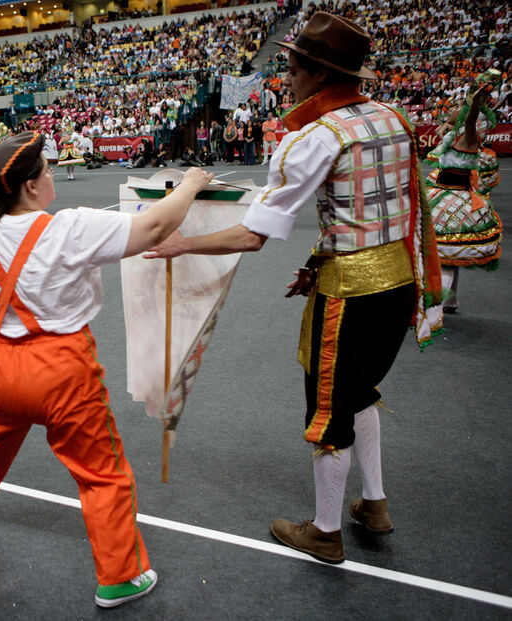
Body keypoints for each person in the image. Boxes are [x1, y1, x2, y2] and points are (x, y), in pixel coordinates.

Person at [145, 12, 442, 564]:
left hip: (350, 291)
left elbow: (255, 234)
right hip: (399, 280)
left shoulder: (317, 138)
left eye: (292, 65)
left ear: (316, 74)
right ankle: (373, 504)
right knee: (363, 392)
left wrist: (183, 244)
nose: (287, 75)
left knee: (329, 409)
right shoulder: (393, 118)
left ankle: (326, 532)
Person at [0, 130, 215, 608]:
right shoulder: (68, 227)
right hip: (62, 367)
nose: (49, 173)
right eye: (43, 169)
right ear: (29, 187)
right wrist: (189, 183)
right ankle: (120, 576)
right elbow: (153, 229)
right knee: (101, 471)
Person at [425, 70, 503, 314]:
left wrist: (476, 101)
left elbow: (469, 120)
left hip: (454, 198)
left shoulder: (469, 137)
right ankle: (449, 300)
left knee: (443, 256)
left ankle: (434, 307)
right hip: (442, 193)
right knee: (448, 255)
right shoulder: (453, 137)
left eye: (458, 107)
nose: (454, 108)